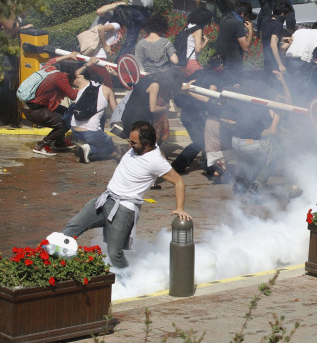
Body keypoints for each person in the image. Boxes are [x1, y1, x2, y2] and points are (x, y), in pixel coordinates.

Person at [63, 121, 192, 277]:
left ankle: (127, 283)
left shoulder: (156, 161)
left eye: (133, 142)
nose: (130, 145)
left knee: (114, 252)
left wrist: (180, 208)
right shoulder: (137, 150)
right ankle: (54, 265)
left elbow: (179, 182)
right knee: (70, 229)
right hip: (105, 199)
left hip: (124, 210)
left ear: (146, 144)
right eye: (129, 141)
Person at [25, 53, 93, 156]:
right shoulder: (61, 78)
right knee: (64, 123)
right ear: (67, 74)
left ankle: (60, 142)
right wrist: (83, 85)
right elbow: (73, 95)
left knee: (66, 113)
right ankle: (41, 146)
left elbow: (53, 60)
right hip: (35, 111)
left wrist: (69, 55)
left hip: (31, 107)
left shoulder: (49, 68)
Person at [72, 67, 117, 163]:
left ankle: (88, 148)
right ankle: (90, 149)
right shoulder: (107, 90)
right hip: (91, 133)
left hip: (74, 130)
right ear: (103, 83)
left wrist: (84, 69)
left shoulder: (82, 83)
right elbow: (116, 111)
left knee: (97, 134)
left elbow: (75, 75)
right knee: (109, 147)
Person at [215, 2, 254, 73]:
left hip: (221, 61)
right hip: (233, 64)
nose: (247, 19)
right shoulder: (238, 23)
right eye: (248, 16)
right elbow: (245, 47)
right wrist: (251, 30)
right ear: (242, 14)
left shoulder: (225, 19)